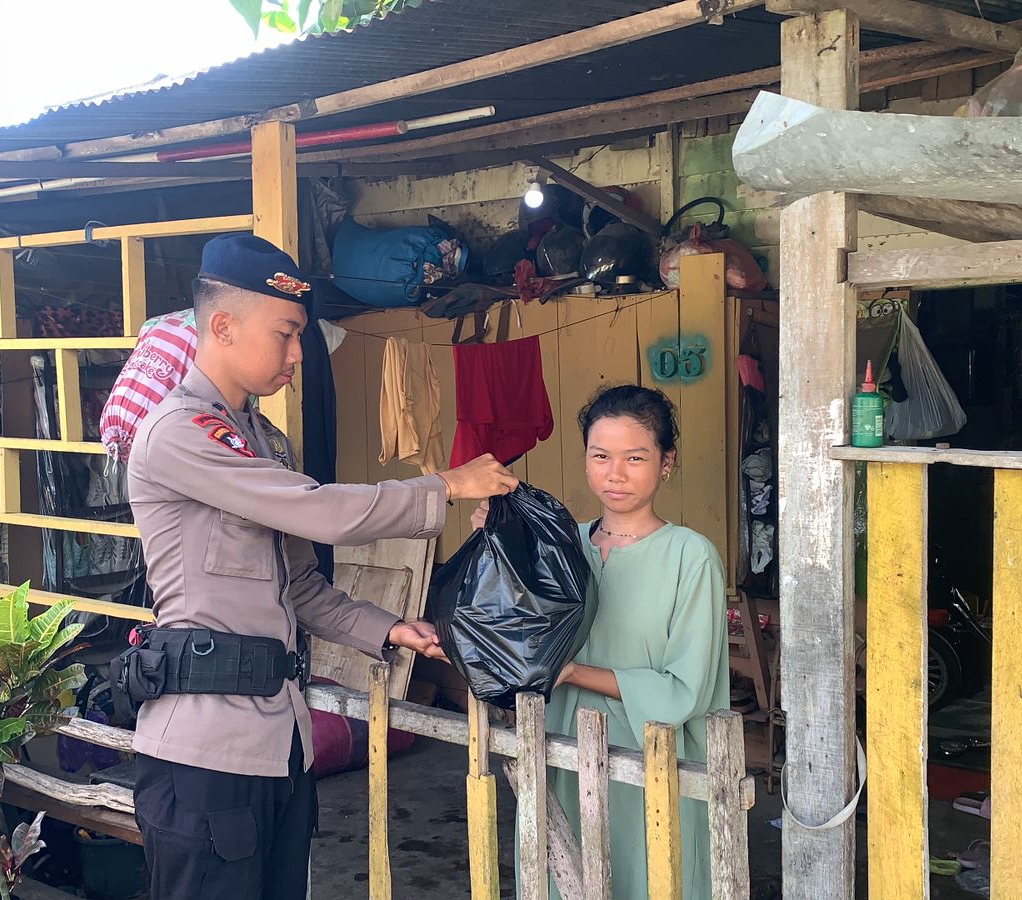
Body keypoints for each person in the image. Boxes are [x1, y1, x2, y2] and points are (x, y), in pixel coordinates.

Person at [122, 233, 518, 900]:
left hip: (280, 745)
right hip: (205, 754)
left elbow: (299, 587)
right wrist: (446, 485)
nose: (298, 354)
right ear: (222, 325)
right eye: (285, 333)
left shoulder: (265, 442)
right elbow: (322, 513)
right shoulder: (179, 434)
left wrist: (389, 629)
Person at [474, 384, 729, 899]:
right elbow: (509, 630)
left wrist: (571, 672)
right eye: (601, 456)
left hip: (649, 758)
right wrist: (500, 546)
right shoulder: (560, 544)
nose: (616, 473)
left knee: (647, 875)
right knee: (562, 872)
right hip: (558, 745)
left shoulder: (690, 556)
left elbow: (686, 689)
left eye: (635, 457)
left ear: (666, 463)